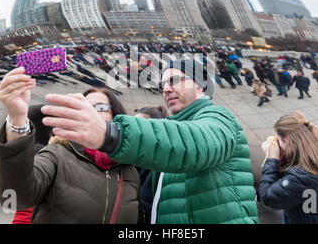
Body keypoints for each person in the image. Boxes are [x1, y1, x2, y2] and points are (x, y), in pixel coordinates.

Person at [40, 59, 259, 224]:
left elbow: (197, 143)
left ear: (200, 86)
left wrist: (111, 134)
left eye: (174, 81)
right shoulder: (172, 129)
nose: (165, 89)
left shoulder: (219, 117)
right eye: (163, 84)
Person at [0, 70, 142, 224]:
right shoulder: (57, 155)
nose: (91, 112)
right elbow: (16, 196)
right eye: (85, 107)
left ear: (116, 116)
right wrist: (17, 118)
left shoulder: (129, 170)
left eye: (101, 108)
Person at [258, 111, 318, 224]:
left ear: (287, 139)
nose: (277, 144)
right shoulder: (317, 153)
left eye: (279, 140)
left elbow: (268, 197)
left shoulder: (305, 175)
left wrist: (271, 159)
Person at [134, 106, 169, 224]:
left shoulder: (160, 169)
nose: (135, 130)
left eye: (140, 125)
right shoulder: (130, 162)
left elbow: (155, 215)